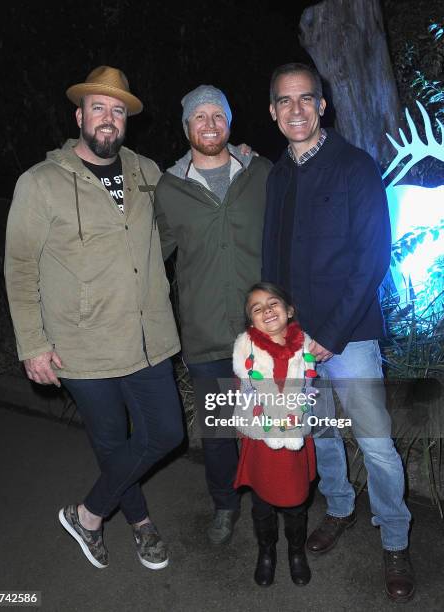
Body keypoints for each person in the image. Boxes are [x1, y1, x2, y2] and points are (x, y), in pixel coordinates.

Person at [5, 66, 184, 571]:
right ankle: (143, 524)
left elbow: (182, 209)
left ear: (127, 120)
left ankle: (87, 514)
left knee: (167, 432)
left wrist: (235, 158)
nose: (109, 119)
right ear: (80, 115)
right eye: (99, 108)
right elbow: (19, 266)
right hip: (82, 341)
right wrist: (31, 343)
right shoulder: (40, 183)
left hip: (149, 334)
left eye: (118, 111)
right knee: (110, 441)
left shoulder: (148, 172)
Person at [263, 62, 414, 602]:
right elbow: (272, 260)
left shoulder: (355, 166)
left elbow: (371, 259)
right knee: (321, 431)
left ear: (322, 105)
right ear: (274, 111)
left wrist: (328, 334)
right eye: (285, 100)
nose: (296, 109)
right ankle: (341, 508)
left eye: (307, 98)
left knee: (376, 445)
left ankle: (395, 539)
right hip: (297, 341)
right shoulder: (279, 175)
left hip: (348, 338)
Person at [154, 85, 272, 545]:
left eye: (217, 115)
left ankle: (271, 501)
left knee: (269, 424)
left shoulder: (261, 171)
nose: (208, 124)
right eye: (198, 117)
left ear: (230, 122)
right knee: (220, 433)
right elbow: (150, 257)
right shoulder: (169, 188)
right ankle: (224, 505)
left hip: (263, 333)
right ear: (186, 127)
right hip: (204, 335)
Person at [232, 282, 316, 587]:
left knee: (295, 503)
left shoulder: (305, 347)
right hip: (261, 439)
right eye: (257, 308)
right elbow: (242, 394)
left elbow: (309, 391)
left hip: (293, 435)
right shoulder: (246, 352)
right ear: (251, 321)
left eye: (273, 303)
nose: (266, 310)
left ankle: (297, 552)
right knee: (261, 503)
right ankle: (266, 551)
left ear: (289, 310)